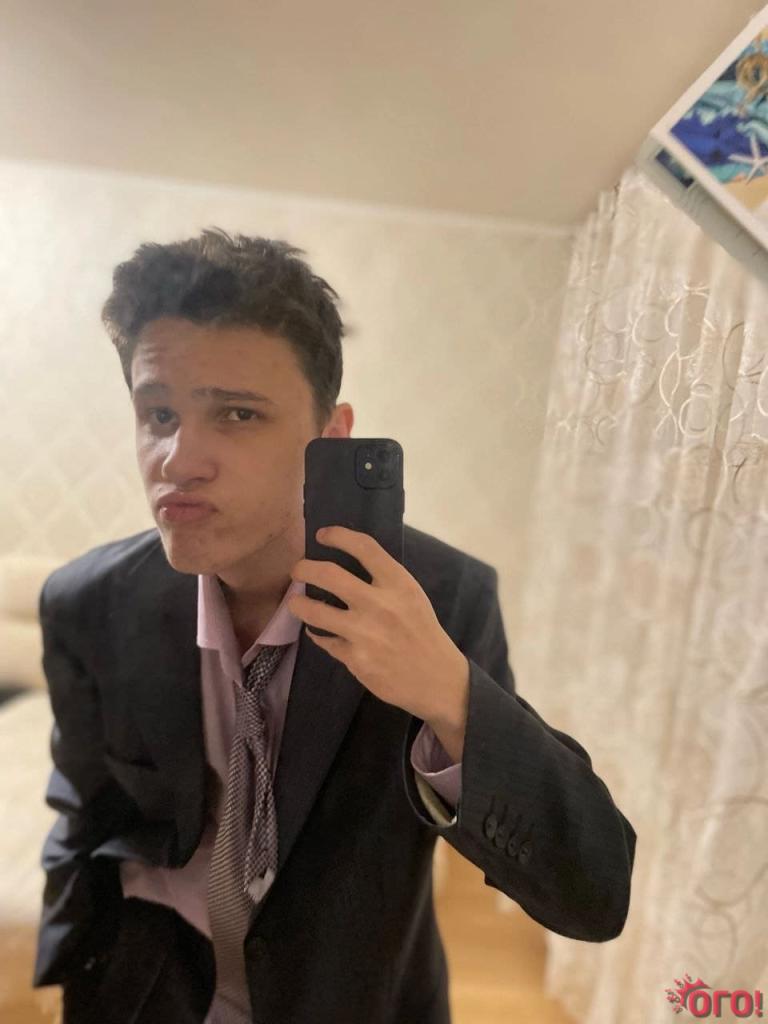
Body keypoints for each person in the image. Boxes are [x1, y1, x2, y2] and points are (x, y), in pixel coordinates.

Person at [32, 228, 636, 1024]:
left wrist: (449, 695)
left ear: (332, 438)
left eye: (238, 413)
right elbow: (82, 821)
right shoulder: (89, 601)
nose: (178, 458)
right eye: (159, 413)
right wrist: (79, 984)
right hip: (154, 995)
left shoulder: (437, 600)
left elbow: (593, 892)